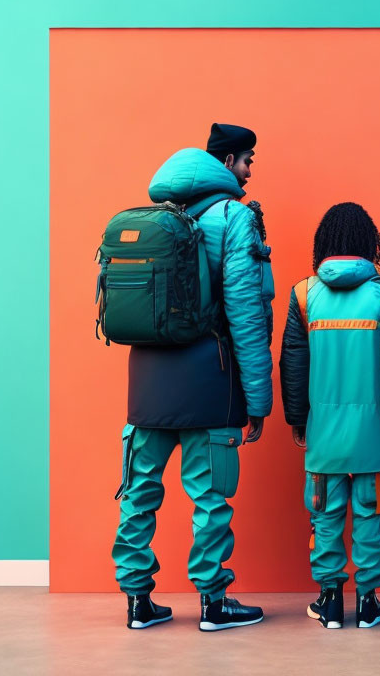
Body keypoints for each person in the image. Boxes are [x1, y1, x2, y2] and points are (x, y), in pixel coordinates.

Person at [111, 124, 274, 631]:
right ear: (226, 162)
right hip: (209, 380)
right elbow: (246, 314)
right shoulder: (234, 217)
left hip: (146, 382)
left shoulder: (153, 217)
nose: (249, 171)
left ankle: (138, 602)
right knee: (208, 498)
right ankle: (213, 603)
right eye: (247, 159)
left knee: (139, 492)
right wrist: (259, 399)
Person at [280, 202, 380, 629]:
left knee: (325, 512)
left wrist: (298, 420)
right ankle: (369, 603)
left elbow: (292, 364)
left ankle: (330, 600)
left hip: (322, 430)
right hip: (372, 428)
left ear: (324, 245)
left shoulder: (303, 295)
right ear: (368, 244)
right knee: (373, 513)